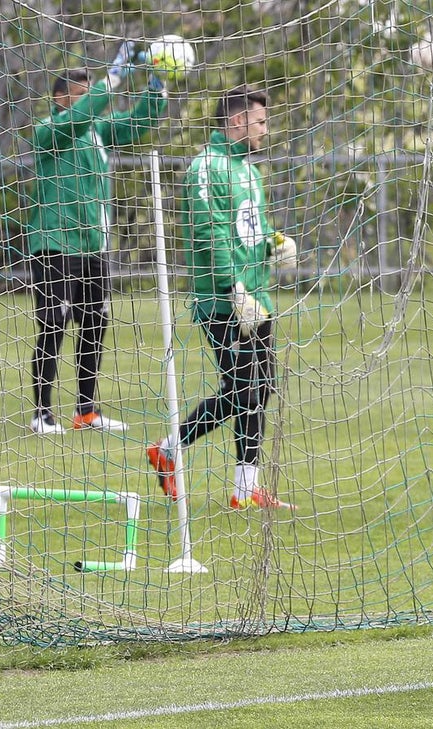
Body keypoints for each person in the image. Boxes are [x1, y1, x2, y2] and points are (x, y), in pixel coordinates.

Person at [147, 85, 298, 510]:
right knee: (243, 390)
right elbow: (209, 231)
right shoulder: (205, 167)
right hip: (223, 300)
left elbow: (249, 227)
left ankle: (244, 488)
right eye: (260, 121)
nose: (265, 129)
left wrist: (275, 243)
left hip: (258, 298)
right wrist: (234, 288)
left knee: (260, 388)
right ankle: (170, 450)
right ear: (237, 121)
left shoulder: (249, 171)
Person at [26, 43, 169, 434]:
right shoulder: (48, 130)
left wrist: (156, 85)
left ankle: (86, 411)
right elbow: (80, 117)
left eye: (91, 90)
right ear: (61, 98)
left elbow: (138, 123)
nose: (90, 98)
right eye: (81, 92)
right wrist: (112, 80)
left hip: (94, 245)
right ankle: (41, 414)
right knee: (54, 323)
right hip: (55, 242)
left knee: (95, 322)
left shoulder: (97, 131)